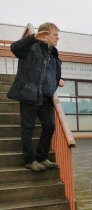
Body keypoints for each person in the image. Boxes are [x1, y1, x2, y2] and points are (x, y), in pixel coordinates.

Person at [8, 22, 64, 171]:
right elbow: (14, 48)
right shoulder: (31, 47)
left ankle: (42, 157)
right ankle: (30, 160)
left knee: (50, 125)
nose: (58, 38)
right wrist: (33, 37)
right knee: (28, 127)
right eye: (55, 35)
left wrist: (58, 80)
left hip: (46, 97)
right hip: (30, 94)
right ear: (45, 34)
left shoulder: (53, 53)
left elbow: (51, 72)